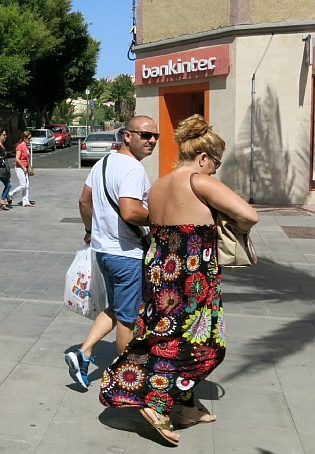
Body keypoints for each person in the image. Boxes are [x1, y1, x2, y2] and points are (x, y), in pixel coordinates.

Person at [98, 114, 258, 446]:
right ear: (203, 157)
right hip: (193, 279)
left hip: (159, 274)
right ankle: (156, 404)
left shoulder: (157, 186)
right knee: (206, 346)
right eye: (215, 162)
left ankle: (188, 408)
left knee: (162, 338)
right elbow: (248, 214)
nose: (215, 169)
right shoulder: (199, 180)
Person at [64, 115, 157, 389]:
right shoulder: (132, 169)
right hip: (127, 254)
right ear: (127, 136)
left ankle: (84, 353)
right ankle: (127, 381)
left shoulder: (104, 162)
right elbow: (130, 211)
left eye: (155, 136)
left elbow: (84, 200)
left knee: (116, 308)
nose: (152, 140)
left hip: (104, 251)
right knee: (128, 320)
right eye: (145, 135)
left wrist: (91, 230)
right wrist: (162, 217)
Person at [9, 131, 34, 207]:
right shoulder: (20, 146)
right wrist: (23, 167)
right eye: (29, 138)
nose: (30, 140)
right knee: (23, 185)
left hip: (26, 167)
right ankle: (10, 194)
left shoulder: (26, 146)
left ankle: (25, 201)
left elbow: (27, 157)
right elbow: (17, 159)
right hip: (20, 168)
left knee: (27, 185)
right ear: (24, 138)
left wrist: (29, 166)